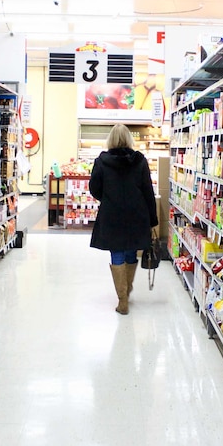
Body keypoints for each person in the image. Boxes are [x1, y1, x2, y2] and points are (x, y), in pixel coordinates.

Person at [89, 124, 158, 315]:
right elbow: (147, 191)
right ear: (129, 139)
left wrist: (108, 198)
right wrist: (152, 219)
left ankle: (122, 300)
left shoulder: (102, 161)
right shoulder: (140, 161)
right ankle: (126, 291)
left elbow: (94, 188)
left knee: (116, 253)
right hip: (137, 214)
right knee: (130, 251)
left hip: (112, 214)